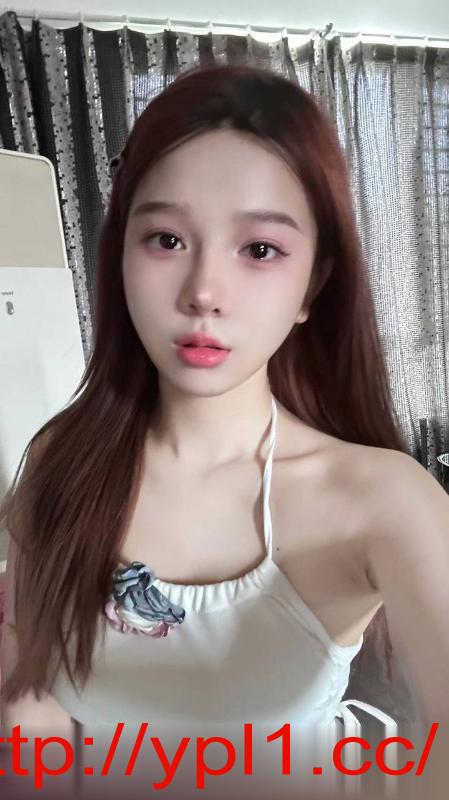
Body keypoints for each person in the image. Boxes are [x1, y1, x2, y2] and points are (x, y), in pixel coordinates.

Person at [1, 63, 449, 798]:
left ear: (312, 286)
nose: (204, 291)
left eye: (260, 250)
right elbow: (30, 697)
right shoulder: (62, 460)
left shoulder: (380, 499)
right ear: (119, 257)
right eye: (166, 239)